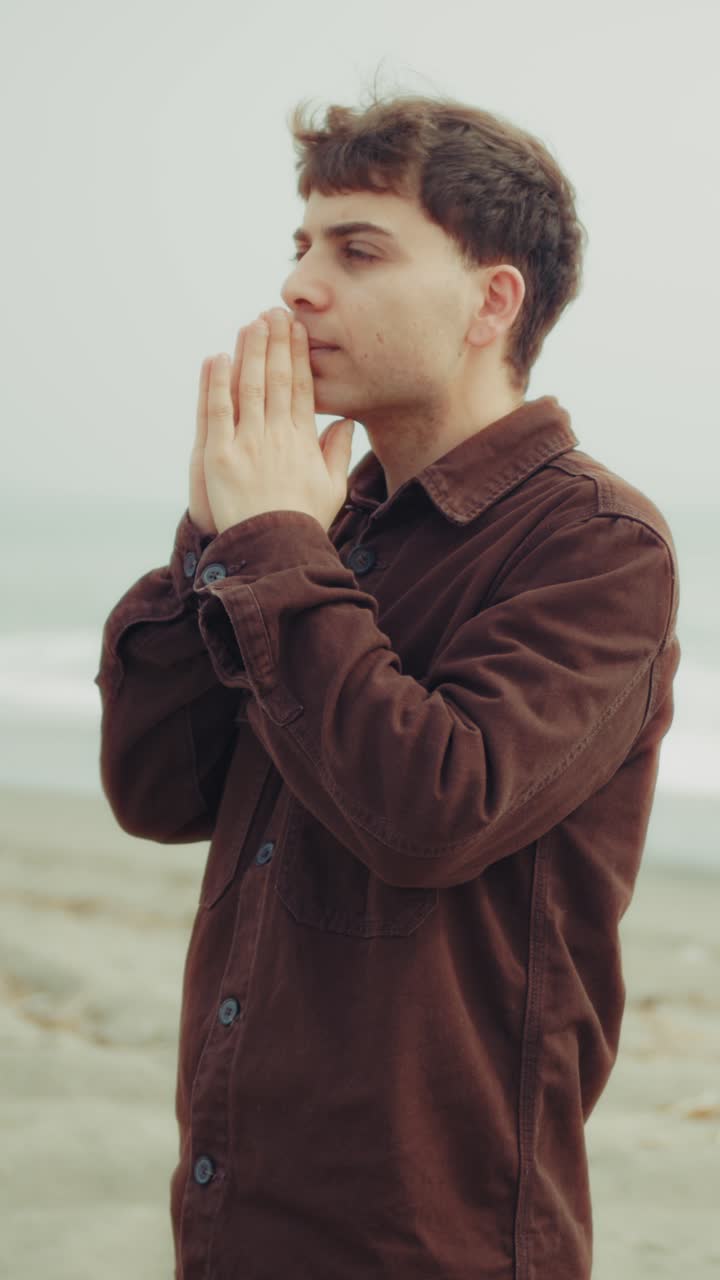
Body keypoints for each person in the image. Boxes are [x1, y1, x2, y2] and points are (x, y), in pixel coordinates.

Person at [94, 85, 681, 1280]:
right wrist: (220, 533)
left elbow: (430, 808)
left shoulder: (600, 544)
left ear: (491, 299)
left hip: (435, 1237)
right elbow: (157, 785)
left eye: (358, 249)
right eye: (300, 245)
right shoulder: (320, 523)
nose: (302, 285)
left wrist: (271, 546)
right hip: (235, 1214)